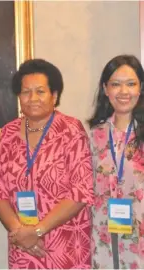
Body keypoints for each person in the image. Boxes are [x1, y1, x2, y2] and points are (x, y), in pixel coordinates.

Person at [0, 59, 94, 269]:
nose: (32, 98)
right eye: (26, 92)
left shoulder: (70, 130)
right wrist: (19, 232)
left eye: (40, 91)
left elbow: (81, 191)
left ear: (54, 96)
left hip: (65, 246)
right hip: (23, 246)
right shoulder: (8, 133)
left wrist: (37, 231)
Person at [88, 55, 144, 269]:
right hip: (102, 236)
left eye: (131, 84)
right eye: (116, 84)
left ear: (140, 88)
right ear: (105, 89)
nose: (123, 92)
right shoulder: (94, 136)